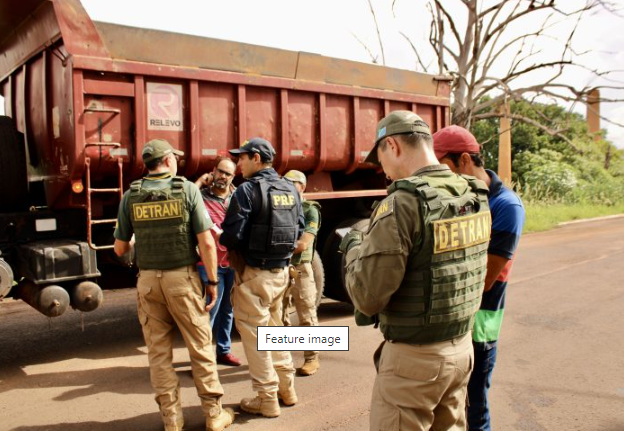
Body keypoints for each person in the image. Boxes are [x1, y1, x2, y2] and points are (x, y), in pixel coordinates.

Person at [341, 111, 491, 431]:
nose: (382, 170)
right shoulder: (473, 193)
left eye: (380, 158)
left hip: (415, 363)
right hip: (462, 349)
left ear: (392, 145)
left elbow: (367, 298)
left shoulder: (402, 203)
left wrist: (353, 246)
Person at [113, 139, 234, 431]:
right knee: (201, 347)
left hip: (148, 283)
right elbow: (206, 241)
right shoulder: (187, 190)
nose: (178, 161)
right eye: (175, 158)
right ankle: (214, 414)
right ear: (167, 160)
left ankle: (172, 420)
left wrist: (139, 238)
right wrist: (213, 282)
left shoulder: (132, 195)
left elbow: (119, 249)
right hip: (182, 279)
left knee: (158, 353)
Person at [433, 125, 526, 431]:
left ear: (463, 160)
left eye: (441, 166)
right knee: (444, 409)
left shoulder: (506, 206)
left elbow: (484, 277)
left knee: (474, 409)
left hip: (479, 327)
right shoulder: (456, 198)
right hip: (450, 324)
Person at [219, 138, 305, 418]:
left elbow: (232, 234)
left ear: (256, 158)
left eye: (241, 158)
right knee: (274, 331)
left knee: (256, 337)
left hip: (254, 273)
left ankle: (266, 398)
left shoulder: (246, 190)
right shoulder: (290, 188)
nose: (238, 164)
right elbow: (299, 228)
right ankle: (287, 389)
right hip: (281, 272)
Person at [194, 157, 242, 367]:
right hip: (209, 265)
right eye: (220, 171)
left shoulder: (237, 196)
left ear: (233, 177)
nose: (222, 176)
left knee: (227, 309)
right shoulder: (200, 197)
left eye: (227, 174)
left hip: (232, 263)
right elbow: (185, 199)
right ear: (212, 171)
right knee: (209, 311)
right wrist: (199, 181)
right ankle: (201, 359)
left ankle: (223, 351)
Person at [281, 170, 322, 376]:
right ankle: (283, 358)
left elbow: (303, 244)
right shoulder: (280, 207)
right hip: (281, 267)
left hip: (299, 268)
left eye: (292, 183)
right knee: (280, 316)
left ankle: (312, 357)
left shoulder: (309, 210)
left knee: (306, 313)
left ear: (302, 187)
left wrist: (274, 246)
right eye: (284, 183)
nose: (287, 187)